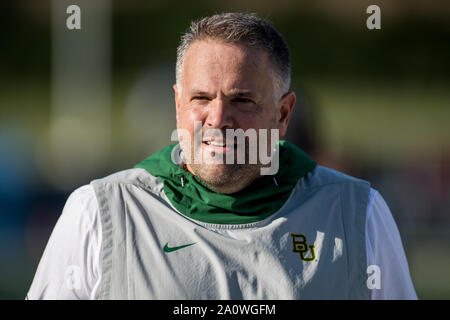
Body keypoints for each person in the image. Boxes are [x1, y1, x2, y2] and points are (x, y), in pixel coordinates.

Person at [27, 12, 417, 300]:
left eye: (242, 100)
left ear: (283, 114)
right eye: (201, 98)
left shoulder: (356, 212)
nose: (218, 119)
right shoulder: (100, 213)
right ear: (178, 104)